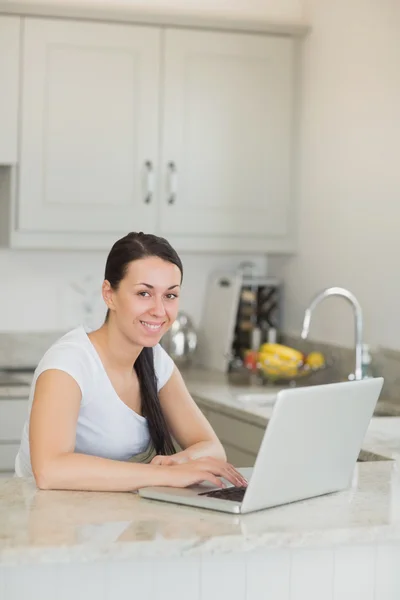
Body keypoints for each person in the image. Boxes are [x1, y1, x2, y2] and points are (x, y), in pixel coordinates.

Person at [15, 232, 247, 493]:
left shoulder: (155, 358)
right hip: (46, 522)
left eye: (170, 296)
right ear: (109, 294)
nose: (159, 310)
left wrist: (177, 462)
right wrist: (165, 476)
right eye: (144, 293)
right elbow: (50, 471)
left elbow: (212, 447)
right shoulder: (68, 364)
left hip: (110, 519)